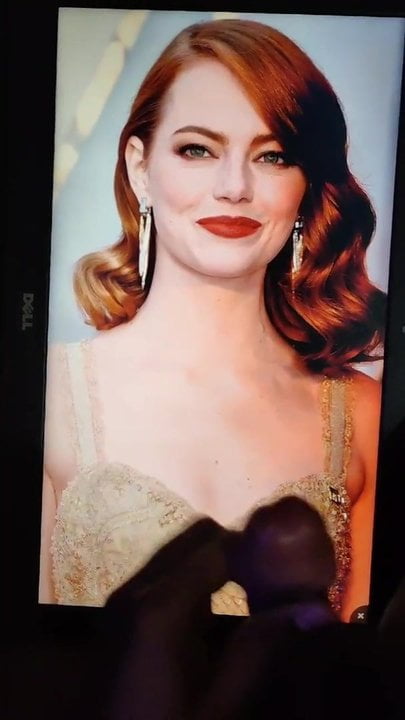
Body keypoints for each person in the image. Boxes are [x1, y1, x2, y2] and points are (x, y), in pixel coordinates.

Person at [39, 19, 385, 620]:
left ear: (305, 187)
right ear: (140, 168)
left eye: (272, 156)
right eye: (197, 149)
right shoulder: (50, 393)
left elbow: (366, 665)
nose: (234, 187)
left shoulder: (364, 414)